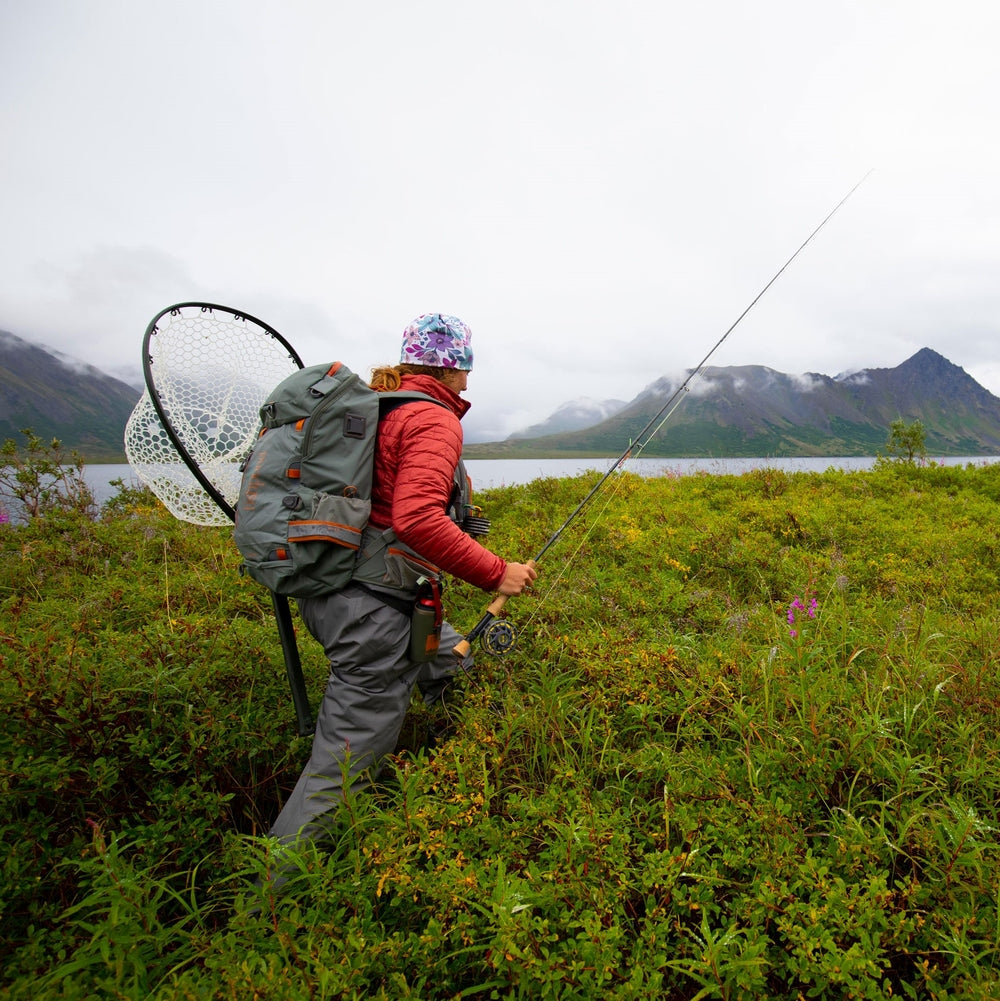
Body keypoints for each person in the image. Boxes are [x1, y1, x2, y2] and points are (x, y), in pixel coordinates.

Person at [268, 313, 537, 848]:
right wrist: (496, 572)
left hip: (334, 591)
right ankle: (268, 901)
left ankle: (441, 709)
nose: (469, 379)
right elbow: (416, 519)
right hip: (376, 611)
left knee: (449, 649)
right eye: (466, 367)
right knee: (340, 773)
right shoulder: (433, 419)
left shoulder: (376, 408)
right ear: (456, 366)